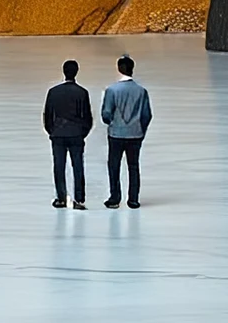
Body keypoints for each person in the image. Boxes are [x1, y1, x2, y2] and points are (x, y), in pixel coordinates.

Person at [101, 54, 152, 208]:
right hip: (135, 133)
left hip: (116, 133)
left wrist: (111, 123)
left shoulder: (112, 90)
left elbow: (106, 113)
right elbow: (146, 115)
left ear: (119, 69)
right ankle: (133, 199)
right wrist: (141, 130)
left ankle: (115, 197)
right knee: (133, 166)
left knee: (114, 166)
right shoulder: (141, 91)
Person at [42, 59, 92, 208]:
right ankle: (79, 198)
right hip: (76, 134)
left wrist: (52, 130)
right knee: (78, 166)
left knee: (59, 166)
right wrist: (83, 132)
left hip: (58, 133)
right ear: (76, 72)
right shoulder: (82, 92)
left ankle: (61, 197)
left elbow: (48, 115)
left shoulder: (53, 92)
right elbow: (87, 117)